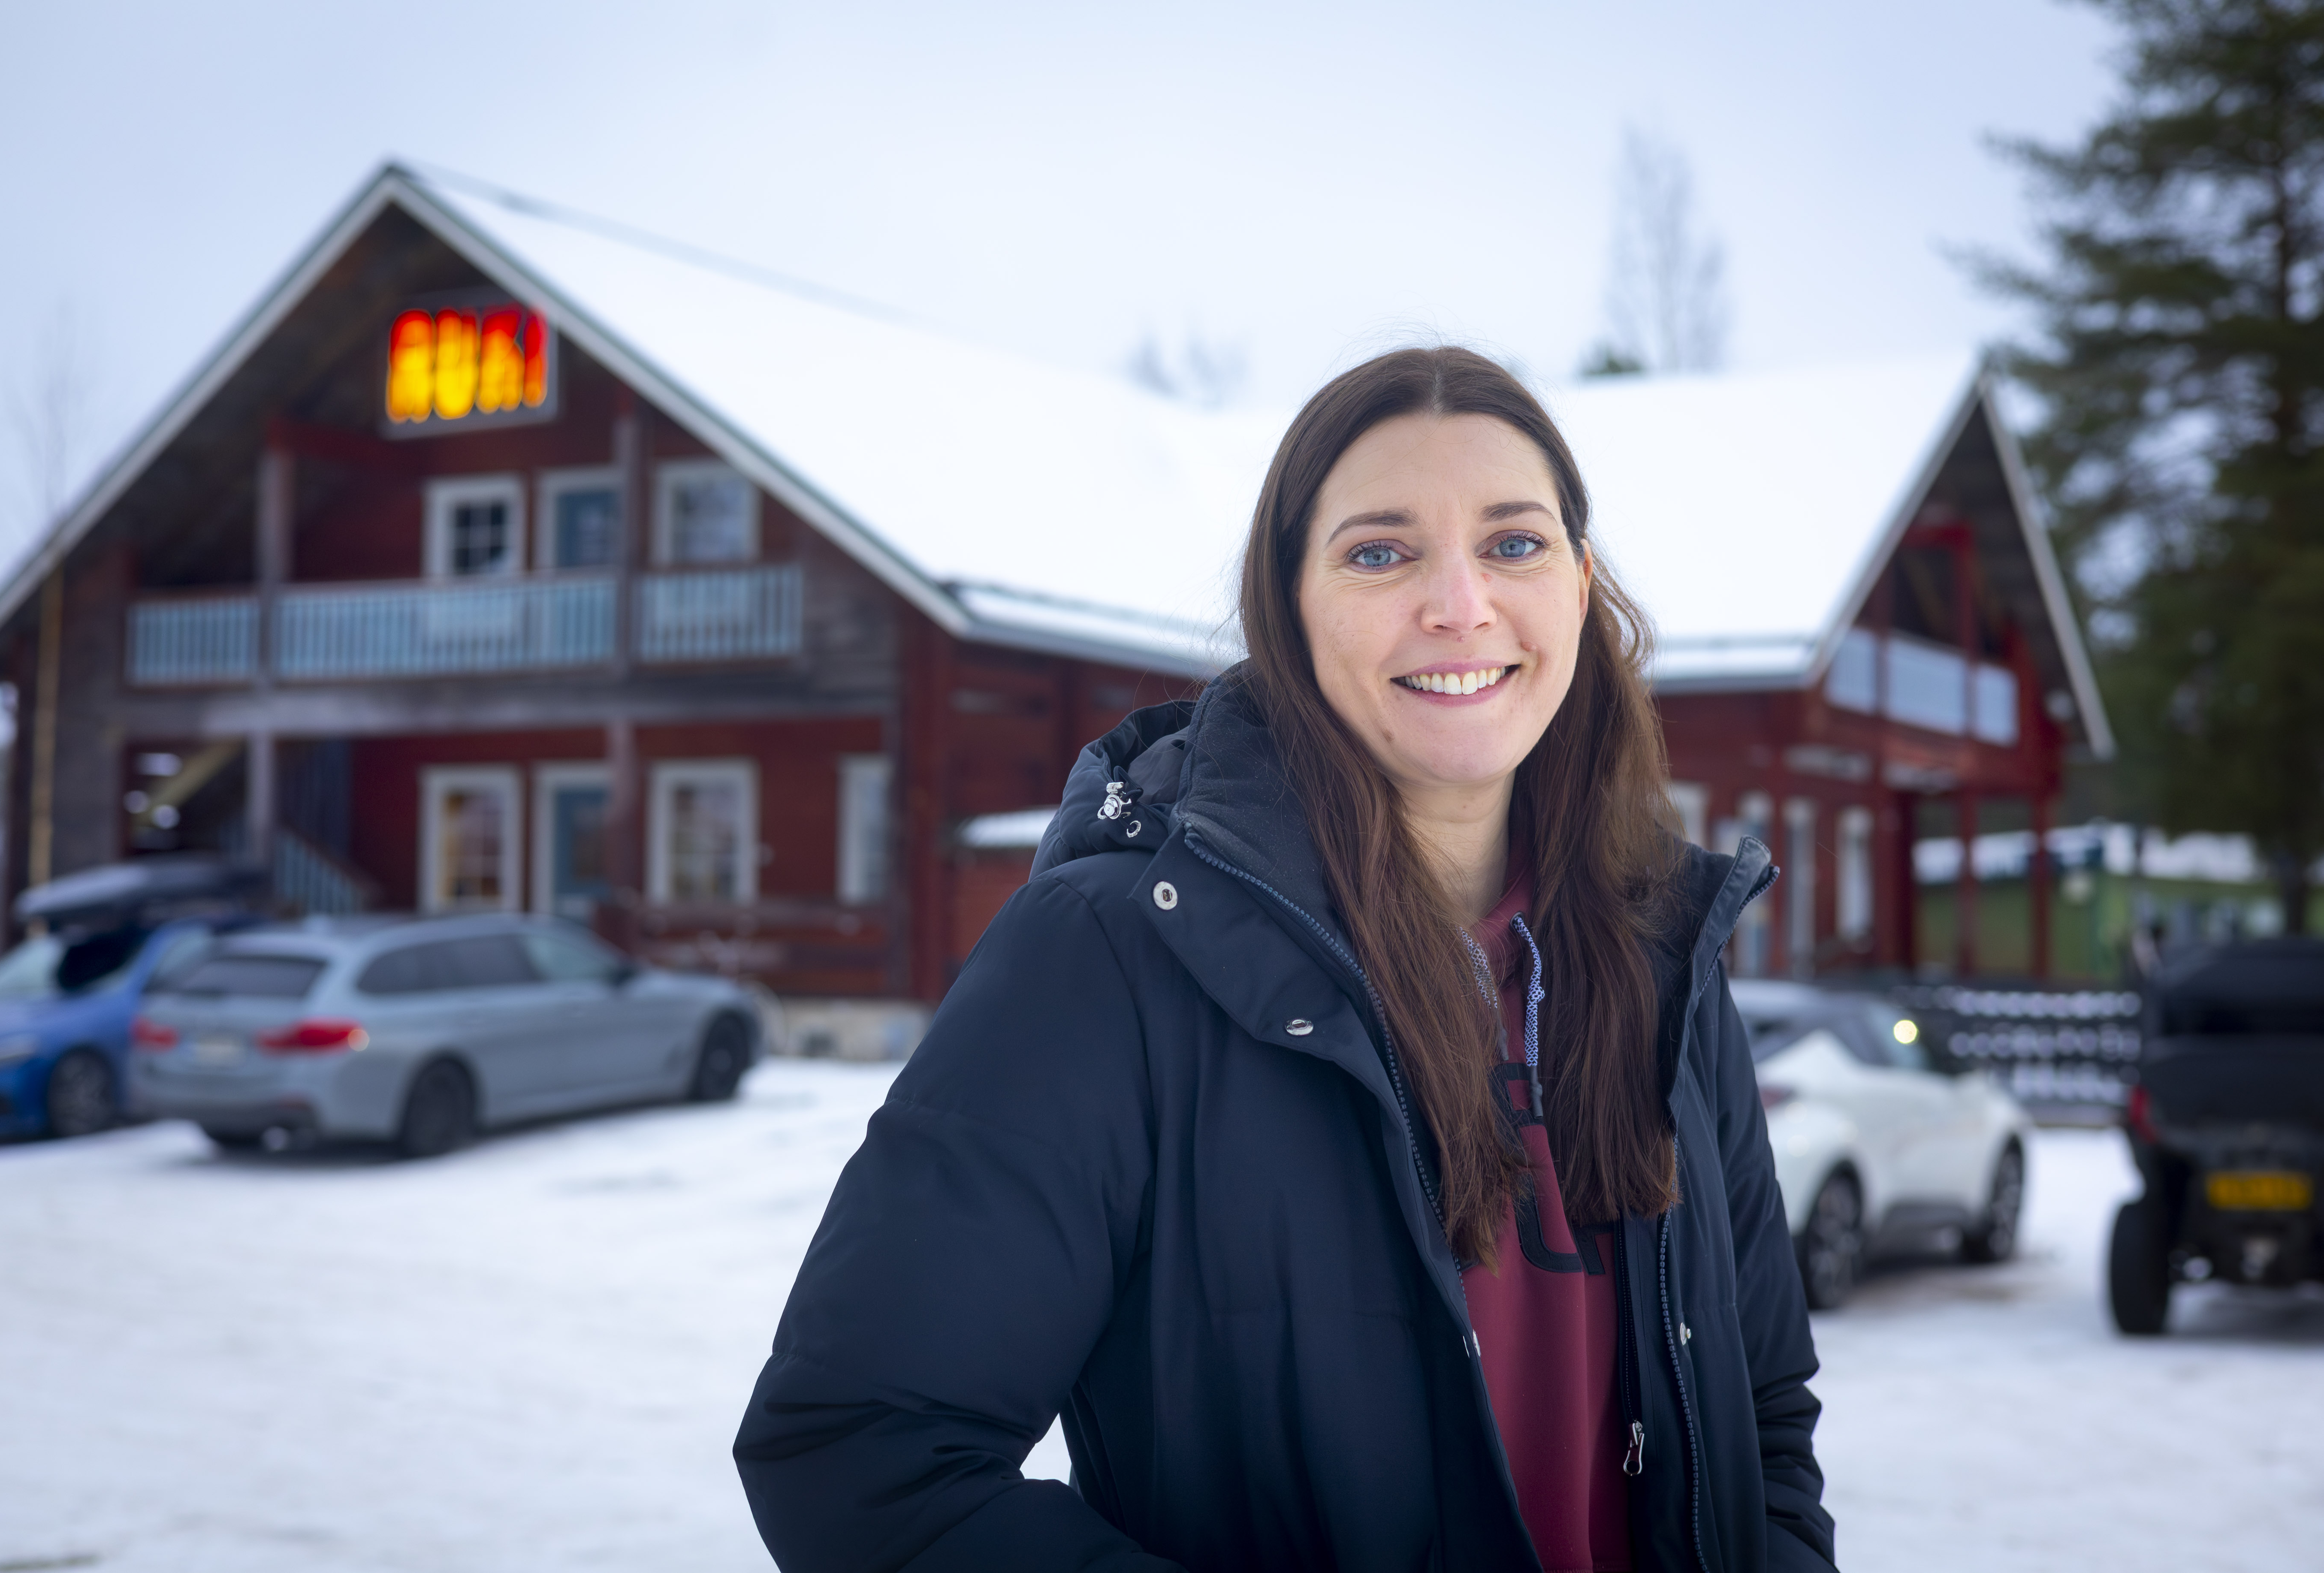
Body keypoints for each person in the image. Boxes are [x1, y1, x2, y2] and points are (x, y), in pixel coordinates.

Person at [736, 346, 1836, 1572]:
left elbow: (1765, 1418)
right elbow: (859, 1452)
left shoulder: (1660, 957)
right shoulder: (1111, 958)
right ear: (1289, 605)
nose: (1460, 603)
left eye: (1513, 543)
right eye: (1380, 551)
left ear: (1578, 587)